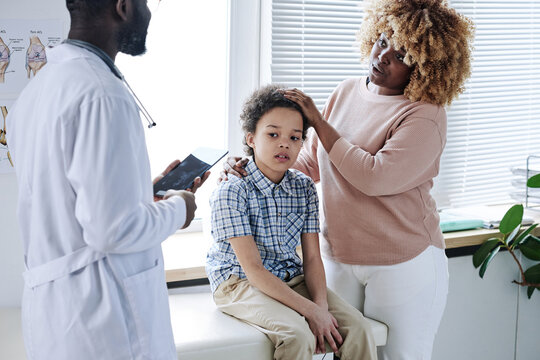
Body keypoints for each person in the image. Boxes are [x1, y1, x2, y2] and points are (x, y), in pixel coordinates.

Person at [221, 1, 475, 359]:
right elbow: (309, 162)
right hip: (338, 256)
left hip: (402, 262)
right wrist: (249, 167)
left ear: (425, 67)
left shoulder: (425, 115)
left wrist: (321, 125)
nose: (383, 55)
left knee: (399, 356)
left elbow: (375, 177)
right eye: (382, 40)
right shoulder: (345, 91)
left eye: (400, 54)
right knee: (340, 350)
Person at [6, 0, 208, 359]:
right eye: (146, 2)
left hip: (56, 315)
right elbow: (112, 230)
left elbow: (68, 202)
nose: (148, 11)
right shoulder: (102, 93)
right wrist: (181, 207)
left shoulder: (37, 92)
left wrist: (142, 193)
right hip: (101, 320)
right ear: (123, 6)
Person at [206, 84, 377, 360]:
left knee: (357, 329)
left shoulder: (304, 187)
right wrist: (310, 312)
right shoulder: (232, 190)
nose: (284, 143)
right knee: (296, 335)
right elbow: (254, 270)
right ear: (251, 139)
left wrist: (320, 306)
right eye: (272, 134)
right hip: (239, 282)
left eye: (294, 137)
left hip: (290, 277)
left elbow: (311, 259)